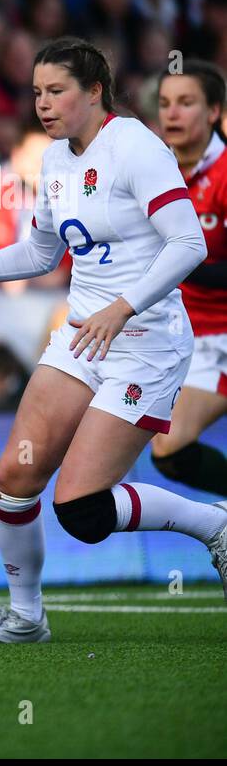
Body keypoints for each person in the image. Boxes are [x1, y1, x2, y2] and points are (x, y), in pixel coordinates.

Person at [0, 37, 227, 641]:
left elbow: (189, 244)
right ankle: (25, 617)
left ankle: (214, 525)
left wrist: (121, 308)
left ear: (94, 92)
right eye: (36, 92)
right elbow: (42, 251)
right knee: (13, 480)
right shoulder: (55, 160)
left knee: (81, 510)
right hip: (81, 338)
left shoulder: (135, 146)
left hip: (145, 343)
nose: (42, 104)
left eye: (57, 90)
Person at [150, 61, 227, 499]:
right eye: (164, 104)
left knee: (170, 445)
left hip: (222, 336)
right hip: (181, 333)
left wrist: (178, 261)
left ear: (213, 111)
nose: (172, 114)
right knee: (167, 449)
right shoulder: (155, 170)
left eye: (185, 102)